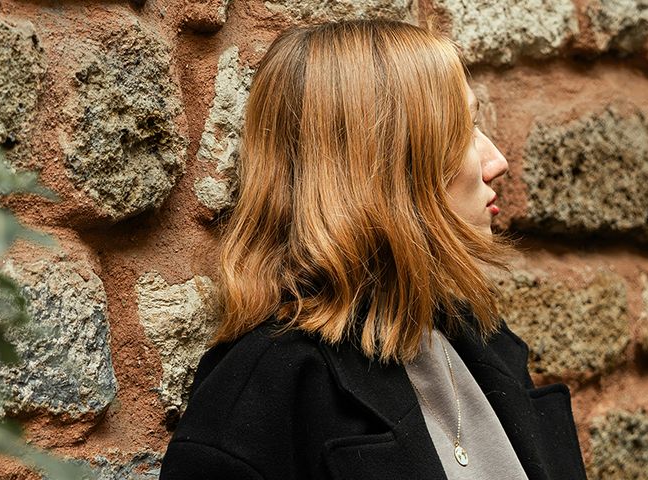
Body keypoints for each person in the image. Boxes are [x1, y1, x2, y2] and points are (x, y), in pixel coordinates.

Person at [160, 19, 587, 480]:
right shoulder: (262, 396)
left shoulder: (481, 341)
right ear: (386, 165)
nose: (497, 160)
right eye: (464, 128)